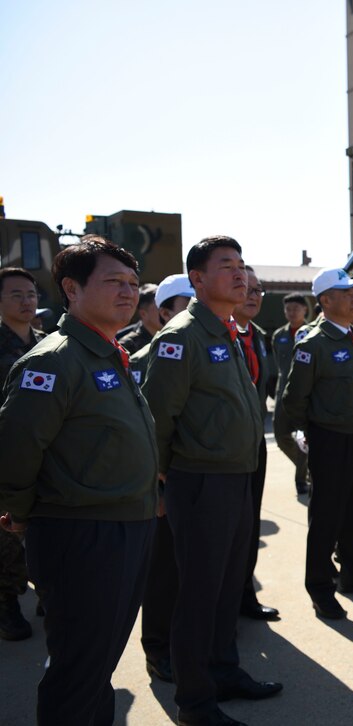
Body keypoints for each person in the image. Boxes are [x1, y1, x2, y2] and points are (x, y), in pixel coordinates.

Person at [0, 237, 157, 723]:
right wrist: (24, 518)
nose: (128, 291)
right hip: (82, 534)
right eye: (112, 281)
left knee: (97, 665)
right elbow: (14, 454)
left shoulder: (109, 353)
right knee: (78, 669)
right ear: (71, 288)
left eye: (132, 282)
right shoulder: (52, 361)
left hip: (126, 526)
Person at [142, 236, 282, 725]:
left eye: (242, 265)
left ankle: (225, 671)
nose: (240, 274)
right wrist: (161, 483)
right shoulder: (180, 337)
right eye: (227, 266)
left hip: (236, 478)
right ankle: (195, 702)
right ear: (197, 279)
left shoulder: (226, 330)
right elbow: (156, 419)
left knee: (226, 588)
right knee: (198, 594)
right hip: (200, 482)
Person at [282, 267, 353, 620]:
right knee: (326, 516)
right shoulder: (313, 343)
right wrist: (303, 432)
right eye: (346, 293)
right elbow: (294, 396)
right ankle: (319, 588)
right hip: (329, 439)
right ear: (325, 301)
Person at [136, 273, 196, 684]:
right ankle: (158, 650)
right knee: (163, 573)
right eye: (186, 306)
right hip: (160, 485)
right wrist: (155, 486)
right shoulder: (138, 359)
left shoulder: (206, 349)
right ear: (164, 312)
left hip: (196, 479)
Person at [0, 267, 46, 641]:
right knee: (8, 538)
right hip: (7, 453)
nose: (27, 301)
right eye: (16, 294)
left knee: (45, 531)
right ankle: (7, 605)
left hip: (46, 453)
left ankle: (48, 593)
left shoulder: (48, 343)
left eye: (31, 294)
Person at [234, 267, 280, 621]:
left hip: (254, 443)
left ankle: (244, 595)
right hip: (223, 450)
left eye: (259, 290)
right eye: (247, 288)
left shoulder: (259, 335)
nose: (253, 295)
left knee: (249, 525)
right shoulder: (217, 335)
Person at [271, 292, 311, 495]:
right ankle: (307, 468)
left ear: (305, 309)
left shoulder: (314, 333)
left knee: (304, 438)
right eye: (288, 309)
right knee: (281, 436)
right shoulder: (279, 336)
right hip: (284, 393)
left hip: (307, 395)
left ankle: (301, 479)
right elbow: (279, 364)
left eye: (296, 308)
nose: (292, 312)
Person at [119, 283, 162, 353]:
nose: (165, 312)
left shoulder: (172, 337)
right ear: (143, 314)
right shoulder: (127, 347)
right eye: (159, 308)